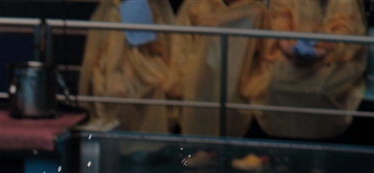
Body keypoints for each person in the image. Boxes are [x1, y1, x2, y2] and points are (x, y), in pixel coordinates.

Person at [250, 0, 368, 139]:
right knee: (276, 84)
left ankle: (320, 140)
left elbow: (347, 27)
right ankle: (282, 139)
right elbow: (279, 18)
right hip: (289, 55)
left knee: (319, 90)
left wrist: (322, 51)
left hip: (335, 58)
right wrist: (289, 49)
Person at [165, 0, 267, 137]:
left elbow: (262, 52)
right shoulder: (194, 6)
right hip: (202, 73)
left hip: (238, 77)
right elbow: (181, 50)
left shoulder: (256, 11)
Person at [78, 0, 177, 133]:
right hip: (114, 60)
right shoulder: (112, 13)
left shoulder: (154, 9)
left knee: (154, 84)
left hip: (145, 55)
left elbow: (159, 48)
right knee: (115, 90)